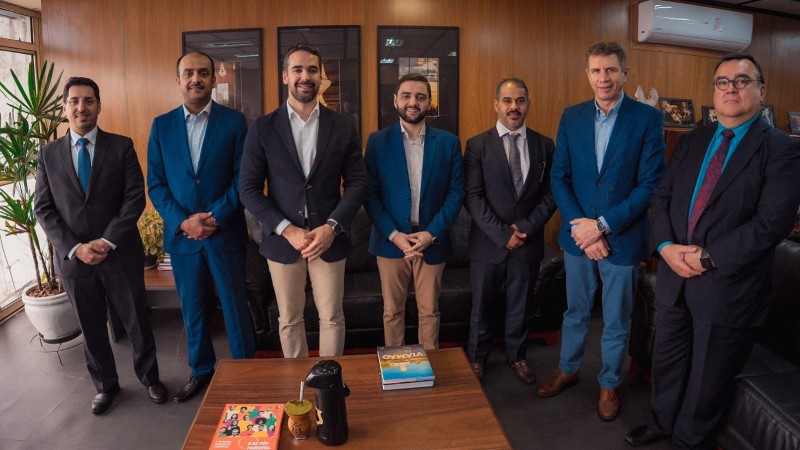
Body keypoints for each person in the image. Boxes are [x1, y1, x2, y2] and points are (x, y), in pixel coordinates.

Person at [626, 53, 800, 449]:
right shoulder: (692, 140)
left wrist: (706, 257)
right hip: (674, 275)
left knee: (708, 374)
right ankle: (662, 423)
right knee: (668, 359)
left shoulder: (780, 149)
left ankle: (689, 439)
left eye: (742, 80)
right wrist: (667, 248)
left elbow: (771, 224)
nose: (731, 89)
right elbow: (663, 196)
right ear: (714, 91)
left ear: (761, 89)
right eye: (723, 82)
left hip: (728, 286)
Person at [542, 41, 665, 421]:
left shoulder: (647, 119)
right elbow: (559, 177)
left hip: (623, 238)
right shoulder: (572, 116)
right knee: (575, 310)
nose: (603, 78)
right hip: (578, 237)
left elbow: (649, 185)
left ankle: (609, 383)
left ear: (625, 73)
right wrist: (584, 228)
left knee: (616, 317)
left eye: (610, 70)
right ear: (588, 74)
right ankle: (568, 368)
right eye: (596, 70)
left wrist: (603, 227)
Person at [34, 77, 166, 414]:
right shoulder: (48, 154)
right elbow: (44, 209)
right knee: (91, 325)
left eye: (89, 101)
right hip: (75, 260)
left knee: (136, 319)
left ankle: (150, 378)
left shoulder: (121, 146)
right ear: (65, 107)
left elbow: (135, 198)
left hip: (120, 253)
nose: (82, 107)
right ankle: (105, 386)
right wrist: (76, 248)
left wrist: (106, 241)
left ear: (99, 106)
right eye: (75, 101)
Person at [239, 43, 367, 358]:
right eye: (297, 69)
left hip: (329, 240)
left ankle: (329, 385)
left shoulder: (342, 125)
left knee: (333, 318)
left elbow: (358, 182)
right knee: (289, 320)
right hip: (284, 241)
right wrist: (287, 230)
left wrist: (332, 227)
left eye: (312, 70)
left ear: (321, 77)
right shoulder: (263, 128)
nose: (305, 76)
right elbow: (249, 189)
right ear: (285, 76)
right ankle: (297, 390)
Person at [147, 51, 255, 403]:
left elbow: (243, 180)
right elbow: (157, 185)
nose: (196, 78)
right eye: (189, 73)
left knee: (235, 305)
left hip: (225, 232)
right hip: (183, 237)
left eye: (203, 73)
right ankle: (201, 370)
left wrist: (213, 218)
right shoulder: (161, 126)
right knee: (192, 308)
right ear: (177, 80)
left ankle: (245, 371)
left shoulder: (235, 122)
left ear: (213, 79)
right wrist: (184, 222)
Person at [463, 78, 556, 383]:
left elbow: (550, 195)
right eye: (507, 101)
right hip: (488, 243)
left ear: (528, 104)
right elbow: (473, 197)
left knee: (521, 303)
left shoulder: (544, 145)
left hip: (527, 243)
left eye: (520, 101)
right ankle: (477, 358)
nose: (513, 107)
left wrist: (525, 229)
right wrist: (503, 234)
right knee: (482, 305)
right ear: (496, 104)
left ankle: (518, 356)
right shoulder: (477, 145)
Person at [364, 73, 464, 350]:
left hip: (431, 241)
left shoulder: (448, 143)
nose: (413, 102)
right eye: (406, 96)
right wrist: (394, 234)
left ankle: (430, 369)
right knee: (392, 312)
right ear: (395, 100)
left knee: (430, 312)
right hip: (390, 241)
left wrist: (431, 233)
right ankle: (396, 371)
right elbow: (370, 195)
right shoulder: (377, 142)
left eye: (420, 97)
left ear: (429, 103)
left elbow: (456, 194)